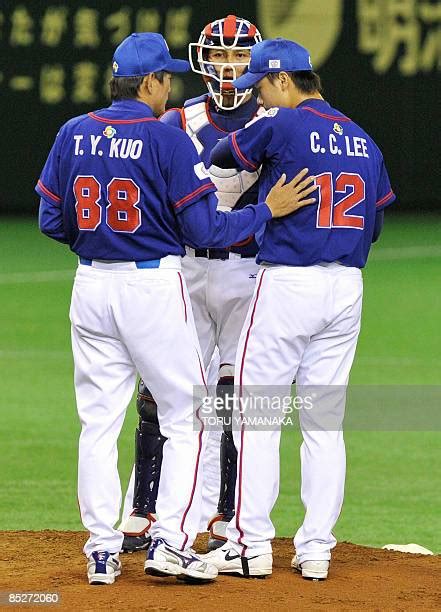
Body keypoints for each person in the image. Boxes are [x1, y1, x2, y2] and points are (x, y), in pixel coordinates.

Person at [35, 32, 317, 585]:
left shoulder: (73, 132)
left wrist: (100, 244)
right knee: (189, 413)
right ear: (148, 83)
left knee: (97, 424)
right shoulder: (166, 139)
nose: (171, 84)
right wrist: (266, 213)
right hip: (155, 284)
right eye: (164, 76)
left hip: (90, 286)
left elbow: (51, 219)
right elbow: (206, 225)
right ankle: (171, 539)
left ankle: (101, 548)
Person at [203, 37, 396, 579]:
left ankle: (252, 545)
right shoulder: (362, 137)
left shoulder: (283, 124)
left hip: (288, 284)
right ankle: (315, 550)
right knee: (323, 425)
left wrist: (258, 148)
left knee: (257, 416)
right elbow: (374, 224)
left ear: (284, 79)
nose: (259, 97)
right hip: (346, 290)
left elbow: (221, 156)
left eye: (261, 86)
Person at [119, 15, 267, 553]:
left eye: (238, 56)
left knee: (233, 395)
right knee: (161, 390)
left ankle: (226, 509)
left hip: (246, 267)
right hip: (186, 263)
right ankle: (144, 506)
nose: (229, 66)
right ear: (202, 60)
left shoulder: (275, 118)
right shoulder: (178, 118)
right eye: (220, 55)